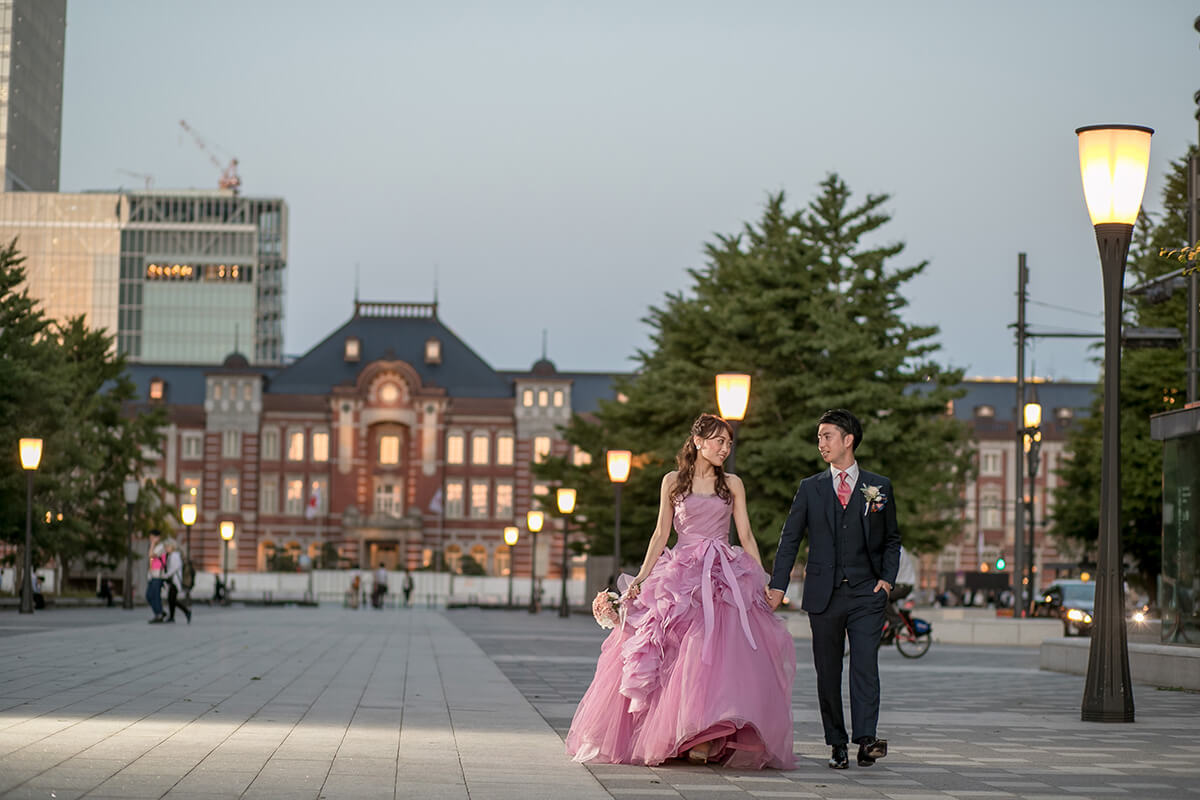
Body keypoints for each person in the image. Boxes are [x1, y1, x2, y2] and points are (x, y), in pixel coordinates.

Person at [566, 414, 795, 769]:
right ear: (699, 441)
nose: (725, 448)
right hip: (681, 572)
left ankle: (708, 733)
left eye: (729, 443)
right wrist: (641, 578)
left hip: (722, 572)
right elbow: (660, 534)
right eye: (719, 441)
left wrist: (761, 580)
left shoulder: (732, 483)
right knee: (675, 649)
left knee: (718, 652)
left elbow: (746, 535)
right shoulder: (672, 481)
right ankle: (678, 733)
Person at [767, 409, 901, 770]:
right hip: (823, 595)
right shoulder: (810, 488)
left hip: (866, 594)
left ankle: (867, 739)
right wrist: (777, 586)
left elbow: (891, 539)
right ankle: (837, 742)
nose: (821, 443)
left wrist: (886, 580)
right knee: (828, 672)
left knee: (865, 665)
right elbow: (789, 539)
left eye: (827, 436)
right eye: (819, 437)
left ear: (848, 440)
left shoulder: (878, 487)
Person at [884, 545, 916, 635]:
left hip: (902, 586)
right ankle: (889, 636)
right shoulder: (897, 547)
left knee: (882, 596)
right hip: (902, 585)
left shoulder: (894, 550)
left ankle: (895, 620)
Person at [163, 540, 192, 624]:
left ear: (172, 547)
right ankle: (172, 616)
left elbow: (174, 568)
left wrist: (166, 576)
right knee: (171, 599)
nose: (166, 548)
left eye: (167, 546)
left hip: (175, 581)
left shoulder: (174, 556)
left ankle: (186, 612)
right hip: (172, 581)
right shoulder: (171, 555)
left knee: (172, 600)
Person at [146, 531, 167, 623]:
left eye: (152, 537)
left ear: (157, 537)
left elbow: (151, 555)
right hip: (152, 575)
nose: (151, 539)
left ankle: (159, 615)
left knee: (155, 596)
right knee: (149, 595)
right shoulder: (155, 547)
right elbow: (151, 558)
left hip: (158, 575)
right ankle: (160, 612)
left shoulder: (161, 547)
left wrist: (152, 544)